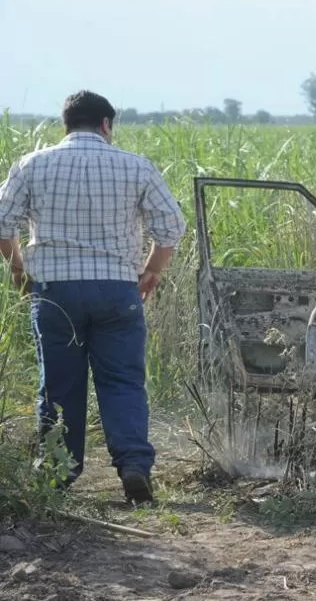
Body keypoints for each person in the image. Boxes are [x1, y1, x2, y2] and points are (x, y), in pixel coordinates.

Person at [0, 90, 186, 504]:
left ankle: (57, 476)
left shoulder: (32, 165)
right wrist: (152, 269)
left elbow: (2, 224)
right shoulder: (135, 166)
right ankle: (135, 467)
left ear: (66, 124)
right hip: (117, 290)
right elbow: (172, 227)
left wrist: (19, 268)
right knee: (123, 381)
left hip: (54, 293)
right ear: (106, 125)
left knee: (59, 385)